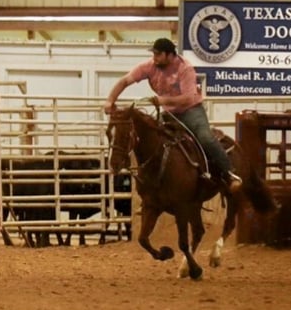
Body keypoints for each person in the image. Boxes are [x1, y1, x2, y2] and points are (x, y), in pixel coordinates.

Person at [103, 37, 243, 194]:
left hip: (191, 111)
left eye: (158, 54)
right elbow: (124, 81)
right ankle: (154, 184)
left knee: (205, 137)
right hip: (170, 112)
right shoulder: (149, 66)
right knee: (153, 139)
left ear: (169, 55)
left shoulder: (185, 69)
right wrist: (110, 100)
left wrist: (163, 100)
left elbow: (188, 98)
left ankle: (228, 173)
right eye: (154, 54)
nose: (154, 58)